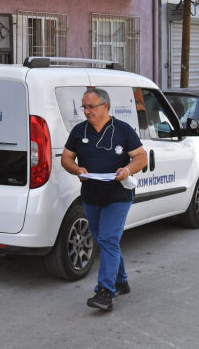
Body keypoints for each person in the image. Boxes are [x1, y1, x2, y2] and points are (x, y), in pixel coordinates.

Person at [61, 88, 147, 311]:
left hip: (118, 196)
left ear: (105, 106)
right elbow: (66, 158)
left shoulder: (122, 129)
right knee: (105, 241)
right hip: (91, 196)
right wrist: (76, 169)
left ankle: (105, 291)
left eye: (91, 107)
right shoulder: (79, 131)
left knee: (108, 240)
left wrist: (127, 170)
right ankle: (121, 280)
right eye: (84, 107)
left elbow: (141, 157)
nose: (86, 111)